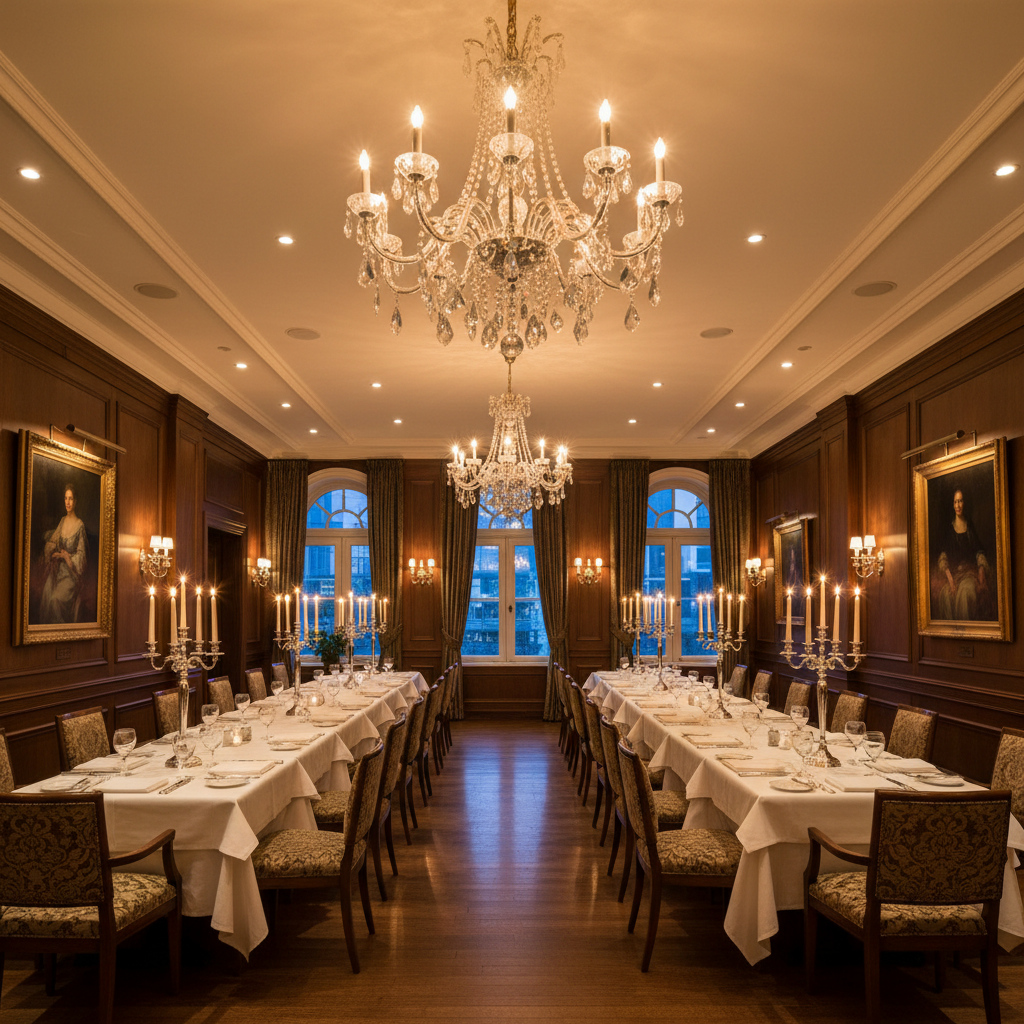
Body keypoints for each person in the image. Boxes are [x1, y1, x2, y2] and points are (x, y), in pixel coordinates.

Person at [932, 487, 993, 621]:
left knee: (964, 593)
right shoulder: (949, 530)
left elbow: (979, 552)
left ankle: (965, 629)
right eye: (955, 502)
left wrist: (981, 573)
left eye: (960, 501)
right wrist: (951, 582)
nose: (958, 505)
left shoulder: (970, 527)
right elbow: (943, 558)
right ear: (952, 504)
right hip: (954, 575)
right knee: (945, 595)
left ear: (964, 503)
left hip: (969, 574)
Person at [38, 482, 88, 623]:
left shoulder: (80, 525)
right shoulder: (62, 521)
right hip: (58, 570)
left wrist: (67, 557)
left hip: (71, 574)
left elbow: (82, 555)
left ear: (75, 501)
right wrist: (53, 552)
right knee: (46, 596)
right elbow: (53, 542)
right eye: (66, 498)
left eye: (70, 498)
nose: (68, 502)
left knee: (55, 600)